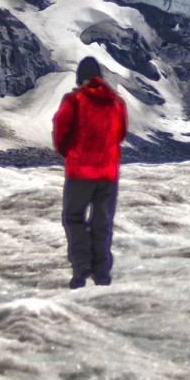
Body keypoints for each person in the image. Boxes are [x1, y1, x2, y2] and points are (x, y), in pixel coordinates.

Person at [52, 56, 128, 288]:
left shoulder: (74, 100)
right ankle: (102, 272)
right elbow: (121, 134)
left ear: (80, 78)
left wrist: (71, 154)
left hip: (80, 172)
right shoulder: (116, 102)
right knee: (102, 222)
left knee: (74, 218)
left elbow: (60, 131)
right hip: (108, 174)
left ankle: (82, 266)